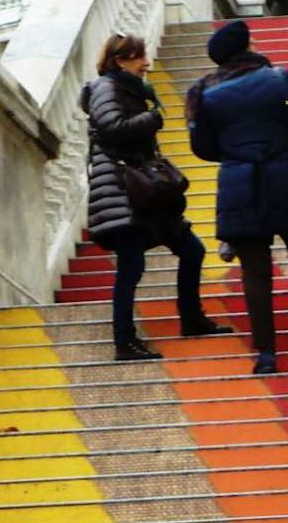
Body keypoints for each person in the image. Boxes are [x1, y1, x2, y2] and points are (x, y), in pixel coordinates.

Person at [186, 18, 288, 375]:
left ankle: (266, 352)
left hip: (239, 182)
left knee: (254, 270)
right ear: (248, 47)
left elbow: (202, 147)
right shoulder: (279, 78)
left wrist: (235, 152)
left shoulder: (202, 91)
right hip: (286, 176)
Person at [79, 33, 228, 361]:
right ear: (120, 61)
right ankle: (124, 341)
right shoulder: (106, 88)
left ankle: (191, 318)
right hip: (123, 192)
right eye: (139, 57)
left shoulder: (130, 89)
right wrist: (152, 118)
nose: (146, 63)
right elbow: (112, 128)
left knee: (192, 250)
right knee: (131, 267)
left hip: (144, 192)